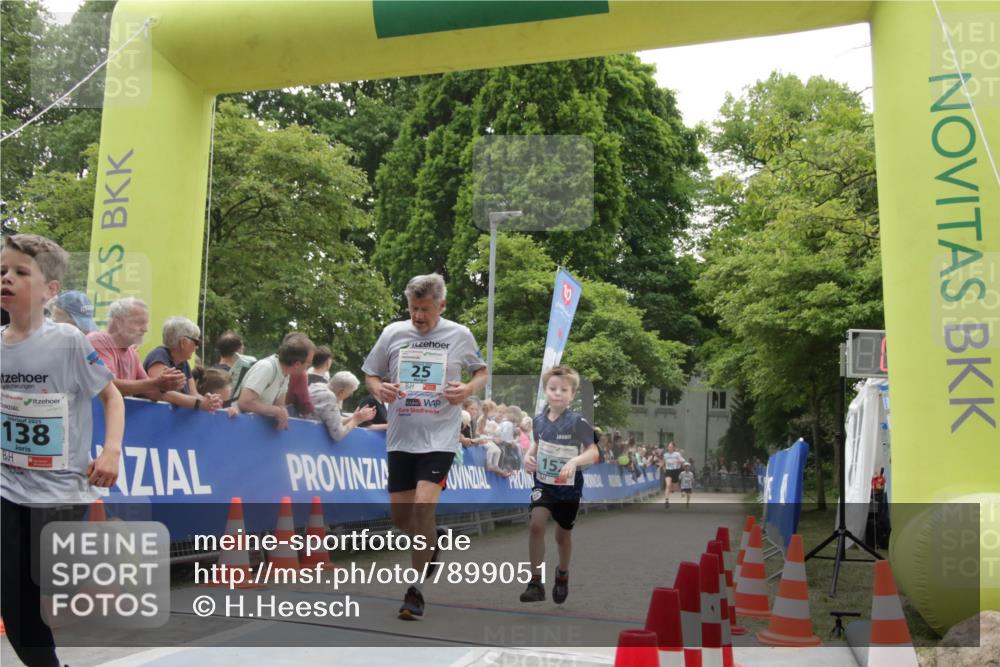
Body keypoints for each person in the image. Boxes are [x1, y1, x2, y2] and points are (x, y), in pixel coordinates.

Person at [1, 234, 125, 667]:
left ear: (51, 290)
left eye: (20, 272)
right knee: (13, 596)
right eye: (2, 271)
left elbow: (112, 397)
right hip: (8, 486)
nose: (7, 278)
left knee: (47, 589)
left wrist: (110, 451)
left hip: (58, 492)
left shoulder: (70, 342)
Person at [362, 273, 487, 620]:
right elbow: (371, 374)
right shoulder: (392, 333)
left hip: (439, 439)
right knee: (403, 519)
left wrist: (467, 390)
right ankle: (433, 539)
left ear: (442, 306)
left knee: (422, 508)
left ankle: (414, 591)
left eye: (426, 310)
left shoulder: (459, 335)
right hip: (401, 438)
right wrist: (378, 389)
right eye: (414, 309)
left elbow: (482, 371)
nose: (418, 316)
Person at [520, 366, 599, 604]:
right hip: (543, 484)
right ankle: (535, 582)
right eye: (552, 388)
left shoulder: (578, 422)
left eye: (564, 390)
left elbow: (594, 452)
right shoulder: (538, 421)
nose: (557, 393)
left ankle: (562, 573)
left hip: (568, 488)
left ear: (572, 395)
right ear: (545, 391)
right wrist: (527, 456)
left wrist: (575, 461)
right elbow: (537, 444)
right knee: (536, 524)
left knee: (562, 535)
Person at [87, 298, 221, 412]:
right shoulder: (98, 341)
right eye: (139, 322)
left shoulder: (131, 353)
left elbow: (150, 391)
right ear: (118, 322)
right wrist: (158, 383)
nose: (145, 329)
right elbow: (108, 385)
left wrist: (165, 386)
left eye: (146, 324)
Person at [235, 332, 314, 430]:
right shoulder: (266, 367)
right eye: (308, 363)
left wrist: (281, 412)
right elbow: (244, 402)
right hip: (236, 425)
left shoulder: (286, 373)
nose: (308, 368)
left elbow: (279, 405)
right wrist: (276, 411)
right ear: (297, 364)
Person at [143, 317, 223, 412]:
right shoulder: (159, 355)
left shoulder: (183, 363)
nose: (197, 347)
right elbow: (162, 393)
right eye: (196, 342)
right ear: (183, 342)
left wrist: (208, 400)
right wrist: (199, 402)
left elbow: (194, 394)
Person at [308, 370, 376, 441]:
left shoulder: (318, 386)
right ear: (341, 392)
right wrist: (356, 420)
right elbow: (338, 434)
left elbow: (334, 420)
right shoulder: (329, 397)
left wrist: (354, 417)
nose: (348, 396)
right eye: (349, 393)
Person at [213, 330, 257, 396]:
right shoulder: (248, 367)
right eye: (242, 346)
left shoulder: (212, 372)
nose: (243, 348)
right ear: (237, 351)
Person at [663, 441, 686, 507]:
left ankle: (676, 490)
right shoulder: (665, 455)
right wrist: (661, 467)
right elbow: (664, 462)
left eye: (671, 447)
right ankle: (666, 501)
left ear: (673, 448)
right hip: (668, 471)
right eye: (668, 447)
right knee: (668, 485)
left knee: (675, 488)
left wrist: (677, 461)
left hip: (675, 471)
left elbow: (683, 461)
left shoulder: (677, 454)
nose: (669, 448)